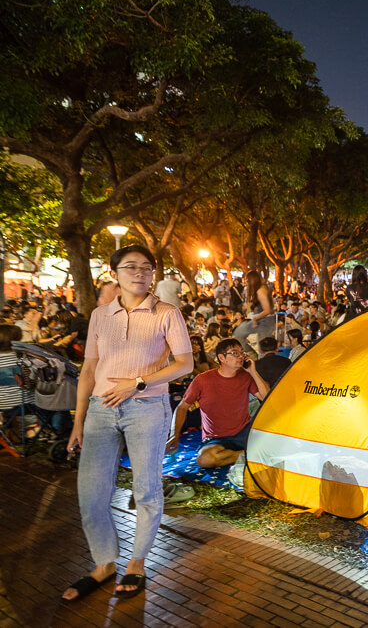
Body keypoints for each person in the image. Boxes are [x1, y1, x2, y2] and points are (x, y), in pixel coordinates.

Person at [62, 245, 193, 601]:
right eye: (131, 267)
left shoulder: (167, 313)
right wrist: (79, 420)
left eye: (147, 268)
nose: (140, 273)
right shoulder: (101, 315)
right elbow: (88, 369)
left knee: (146, 490)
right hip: (101, 409)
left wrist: (137, 382)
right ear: (114, 274)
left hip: (147, 407)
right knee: (91, 493)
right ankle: (104, 563)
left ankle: (136, 563)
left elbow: (184, 363)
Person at [168, 338, 269, 469]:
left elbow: (266, 397)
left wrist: (253, 371)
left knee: (275, 441)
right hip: (215, 438)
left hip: (244, 431)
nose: (240, 356)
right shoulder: (202, 380)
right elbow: (182, 408)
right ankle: (248, 454)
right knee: (205, 459)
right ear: (222, 358)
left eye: (241, 352)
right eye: (234, 353)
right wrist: (174, 435)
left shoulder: (246, 376)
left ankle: (242, 454)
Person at [233, 271, 274, 352]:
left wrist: (255, 319)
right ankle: (251, 353)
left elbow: (267, 310)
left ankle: (251, 354)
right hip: (264, 321)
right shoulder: (263, 288)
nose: (246, 282)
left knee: (263, 349)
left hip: (265, 322)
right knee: (239, 332)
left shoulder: (260, 291)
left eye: (247, 280)